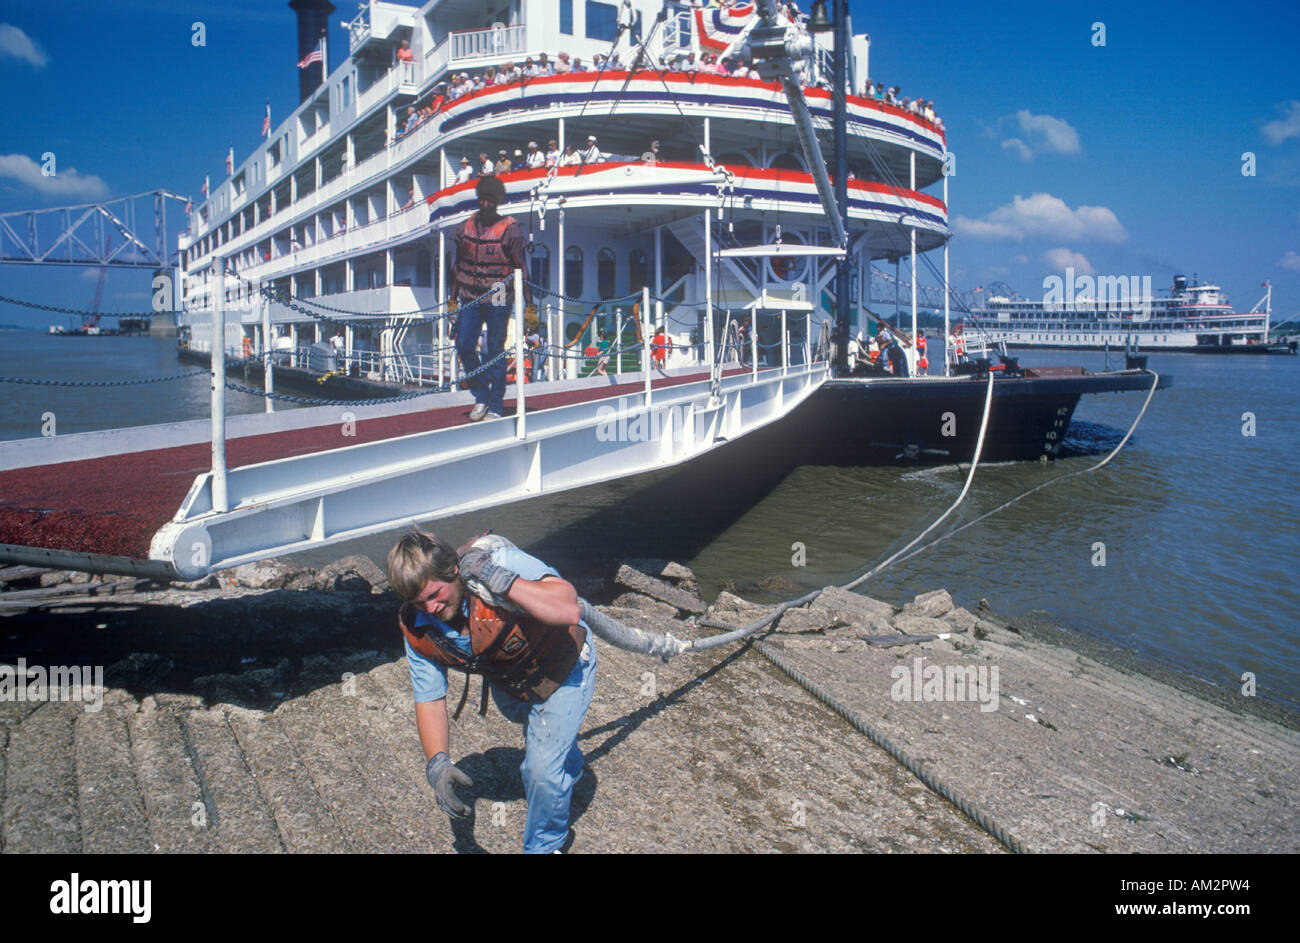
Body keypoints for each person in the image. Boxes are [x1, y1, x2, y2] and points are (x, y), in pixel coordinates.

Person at [388, 529, 596, 855]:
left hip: (566, 664)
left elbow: (569, 609)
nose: (430, 607)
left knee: (540, 771)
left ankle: (546, 845)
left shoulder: (500, 564)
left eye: (435, 594)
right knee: (533, 729)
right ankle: (565, 759)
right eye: (418, 602)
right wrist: (437, 764)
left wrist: (503, 581)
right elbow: (429, 697)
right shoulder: (418, 625)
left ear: (453, 571)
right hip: (513, 677)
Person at [447, 175, 533, 421]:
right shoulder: (464, 228)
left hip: (498, 296)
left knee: (494, 348)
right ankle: (481, 393)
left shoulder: (510, 230)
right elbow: (457, 266)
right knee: (463, 344)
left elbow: (522, 268)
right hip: (470, 296)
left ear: (497, 202)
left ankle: (495, 403)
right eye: (482, 199)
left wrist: (531, 307)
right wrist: (452, 299)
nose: (485, 205)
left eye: (490, 201)